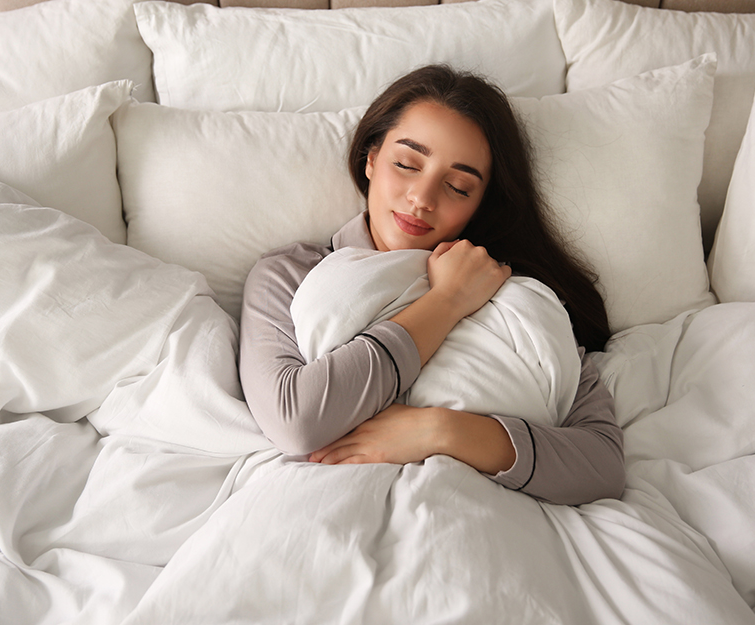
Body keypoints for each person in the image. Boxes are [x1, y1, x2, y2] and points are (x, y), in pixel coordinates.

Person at [239, 65, 625, 506]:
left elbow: (602, 465)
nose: (422, 197)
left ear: (481, 204)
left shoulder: (512, 296)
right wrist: (445, 302)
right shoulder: (289, 274)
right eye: (406, 164)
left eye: (458, 187)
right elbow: (296, 420)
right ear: (370, 159)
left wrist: (440, 431)